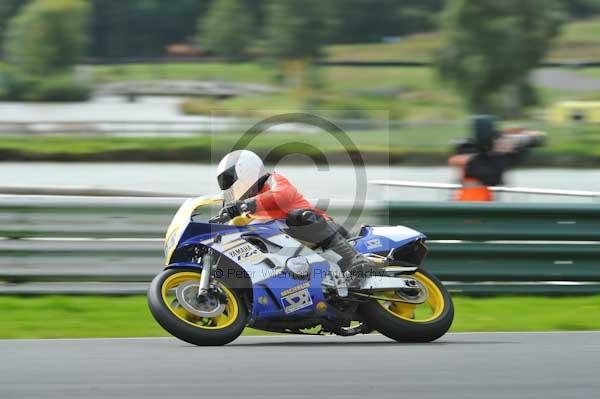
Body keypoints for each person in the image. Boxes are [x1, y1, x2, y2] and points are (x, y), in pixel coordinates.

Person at [215, 149, 375, 279]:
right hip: (293, 249)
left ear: (246, 170)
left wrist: (244, 204)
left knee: (299, 216)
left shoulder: (273, 181)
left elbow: (282, 195)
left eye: (230, 179)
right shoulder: (248, 211)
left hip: (318, 231)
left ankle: (356, 258)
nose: (230, 187)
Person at [449, 115, 545, 202]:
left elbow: (537, 139)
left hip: (483, 203)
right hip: (472, 205)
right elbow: (489, 176)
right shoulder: (473, 157)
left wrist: (521, 141)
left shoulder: (497, 157)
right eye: (498, 139)